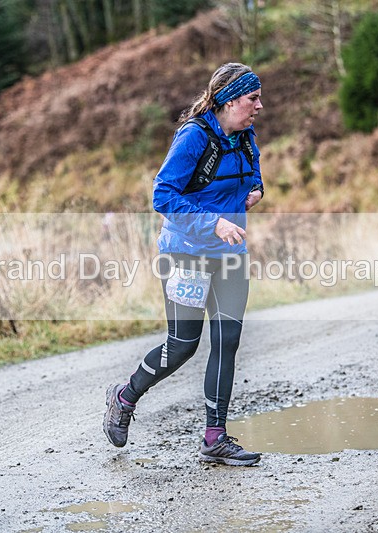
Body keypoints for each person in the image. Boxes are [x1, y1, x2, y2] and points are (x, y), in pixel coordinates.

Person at [103, 63, 265, 466]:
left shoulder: (244, 136)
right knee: (183, 346)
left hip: (229, 256)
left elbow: (254, 169)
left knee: (227, 342)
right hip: (186, 255)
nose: (260, 105)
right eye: (253, 98)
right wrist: (214, 221)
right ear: (229, 101)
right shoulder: (193, 136)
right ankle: (124, 396)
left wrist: (257, 188)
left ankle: (215, 438)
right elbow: (163, 197)